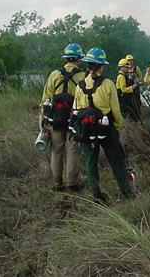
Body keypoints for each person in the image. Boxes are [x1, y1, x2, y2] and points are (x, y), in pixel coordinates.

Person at [72, 48, 132, 203]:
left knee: (90, 161)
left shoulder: (79, 86)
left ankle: (95, 193)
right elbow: (115, 109)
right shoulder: (108, 84)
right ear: (100, 66)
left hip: (86, 128)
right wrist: (118, 125)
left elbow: (76, 109)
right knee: (116, 159)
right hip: (106, 127)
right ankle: (127, 192)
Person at [40, 43, 86, 192]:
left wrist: (43, 118)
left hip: (56, 119)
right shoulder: (83, 76)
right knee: (73, 149)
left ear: (65, 59)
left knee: (56, 150)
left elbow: (46, 98)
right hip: (74, 119)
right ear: (78, 59)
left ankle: (57, 183)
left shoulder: (54, 75)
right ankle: (71, 183)